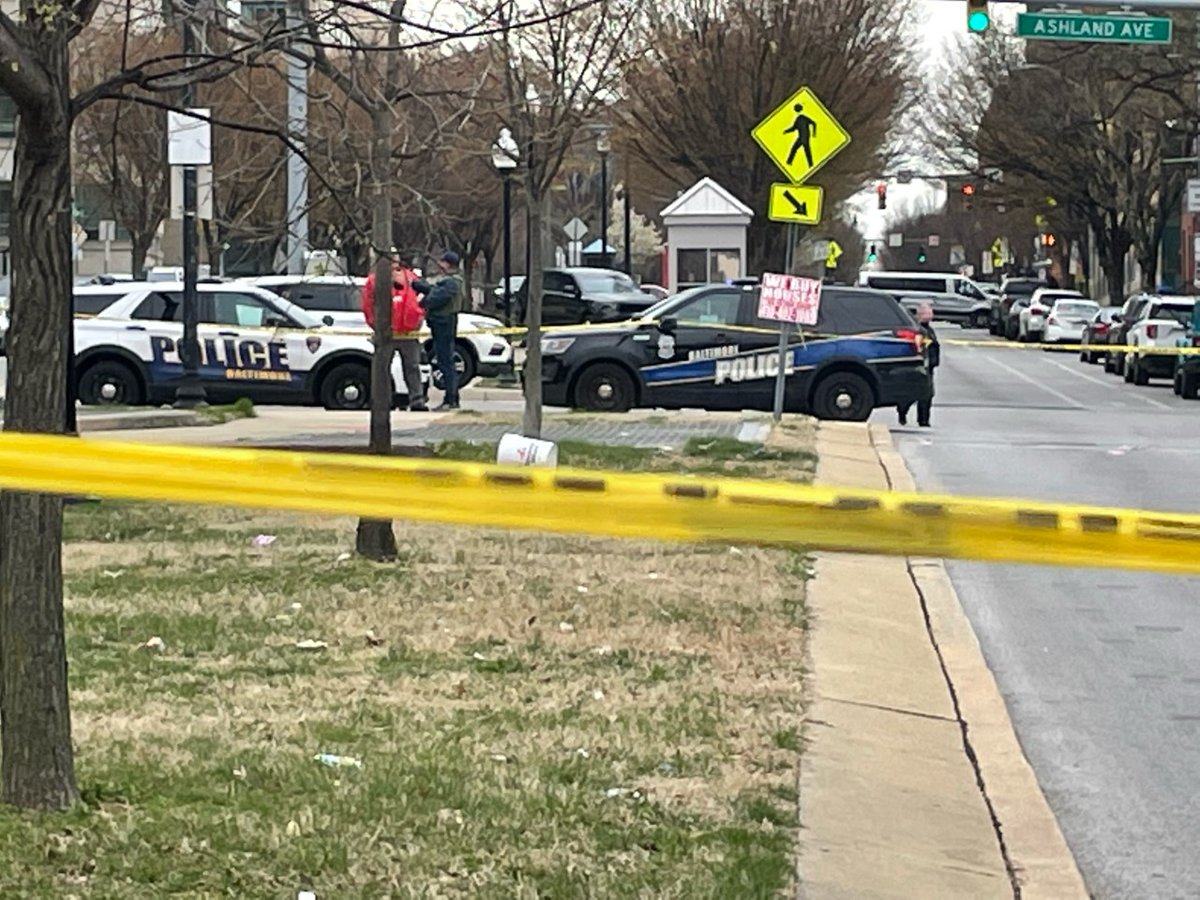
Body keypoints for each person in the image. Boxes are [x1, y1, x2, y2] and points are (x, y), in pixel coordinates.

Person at [362, 254, 427, 411]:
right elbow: (367, 304)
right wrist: (375, 325)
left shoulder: (409, 277)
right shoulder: (373, 280)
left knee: (412, 367)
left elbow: (423, 295)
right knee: (381, 368)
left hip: (408, 331)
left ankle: (417, 400)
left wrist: (419, 317)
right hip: (386, 331)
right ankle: (382, 401)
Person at [413, 251, 464, 411]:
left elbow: (435, 296)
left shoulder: (452, 282)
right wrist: (416, 284)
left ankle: (451, 399)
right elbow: (433, 289)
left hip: (444, 323)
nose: (439, 264)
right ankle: (451, 398)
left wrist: (422, 302)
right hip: (441, 323)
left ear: (448, 264)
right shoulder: (448, 282)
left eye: (442, 262)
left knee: (445, 362)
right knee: (444, 360)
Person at [897, 303, 939, 428]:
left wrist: (934, 362)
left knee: (927, 394)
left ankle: (924, 420)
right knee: (912, 393)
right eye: (925, 313)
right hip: (918, 364)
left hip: (929, 366)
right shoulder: (917, 330)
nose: (928, 316)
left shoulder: (930, 331)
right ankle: (902, 409)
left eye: (929, 313)